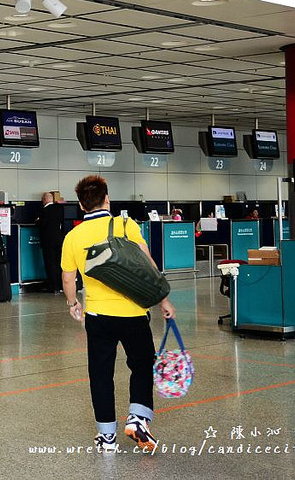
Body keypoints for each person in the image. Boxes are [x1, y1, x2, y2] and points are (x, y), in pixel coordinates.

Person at [61, 175, 175, 453]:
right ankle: (137, 418)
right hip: (134, 312)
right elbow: (147, 263)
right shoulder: (126, 225)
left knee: (100, 374)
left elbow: (68, 278)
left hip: (98, 316)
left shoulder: (73, 236)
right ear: (107, 199)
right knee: (142, 364)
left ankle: (106, 437)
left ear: (80, 204)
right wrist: (163, 300)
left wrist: (73, 303)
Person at [36, 191, 65, 293]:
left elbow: (42, 223)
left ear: (44, 200)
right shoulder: (59, 208)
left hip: (48, 241)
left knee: (50, 264)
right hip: (59, 240)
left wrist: (37, 221)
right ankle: (61, 286)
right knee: (58, 263)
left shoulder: (44, 210)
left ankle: (53, 287)